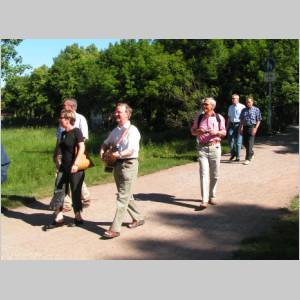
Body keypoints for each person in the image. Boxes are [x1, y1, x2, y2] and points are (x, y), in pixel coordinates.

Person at [100, 103, 144, 239]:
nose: (116, 114)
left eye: (119, 112)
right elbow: (106, 142)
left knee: (122, 197)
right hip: (117, 165)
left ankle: (115, 229)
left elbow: (131, 150)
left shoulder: (133, 130)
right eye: (116, 112)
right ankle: (138, 217)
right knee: (125, 194)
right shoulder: (116, 130)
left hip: (129, 165)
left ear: (127, 114)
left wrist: (115, 155)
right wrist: (102, 151)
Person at [46, 109, 85, 229]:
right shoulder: (63, 133)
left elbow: (82, 148)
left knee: (75, 192)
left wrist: (76, 164)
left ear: (68, 119)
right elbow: (60, 149)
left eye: (61, 117)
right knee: (59, 190)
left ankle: (78, 217)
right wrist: (57, 160)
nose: (59, 119)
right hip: (63, 167)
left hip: (75, 168)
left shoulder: (76, 131)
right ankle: (59, 217)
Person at [53, 98, 90, 211]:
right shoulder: (62, 120)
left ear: (72, 107)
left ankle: (83, 199)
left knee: (75, 180)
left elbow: (83, 139)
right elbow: (59, 138)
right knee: (60, 179)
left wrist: (75, 155)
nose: (63, 107)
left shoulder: (80, 119)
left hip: (74, 155)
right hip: (62, 155)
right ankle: (66, 204)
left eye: (65, 105)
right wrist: (56, 153)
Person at [191, 97, 226, 209]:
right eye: (203, 104)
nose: (204, 106)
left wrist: (217, 132)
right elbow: (192, 132)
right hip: (202, 149)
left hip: (215, 147)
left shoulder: (219, 117)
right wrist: (198, 131)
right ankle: (204, 200)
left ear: (212, 106)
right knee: (204, 174)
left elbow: (224, 132)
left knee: (215, 175)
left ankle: (212, 196)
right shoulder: (199, 116)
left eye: (206, 104)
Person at [239, 96, 262, 165]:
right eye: (247, 102)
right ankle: (251, 153)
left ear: (252, 102)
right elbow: (241, 120)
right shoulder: (243, 110)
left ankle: (247, 159)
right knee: (245, 143)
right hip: (245, 127)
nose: (248, 103)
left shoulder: (256, 109)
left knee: (250, 143)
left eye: (249, 102)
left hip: (252, 127)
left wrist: (256, 128)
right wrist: (240, 128)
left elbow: (259, 120)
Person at [227, 94, 245, 162]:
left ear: (238, 99)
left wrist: (242, 126)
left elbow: (244, 118)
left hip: (239, 124)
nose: (232, 99)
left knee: (238, 141)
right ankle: (233, 153)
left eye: (234, 98)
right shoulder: (230, 107)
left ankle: (238, 156)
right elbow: (229, 118)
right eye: (232, 98)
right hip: (231, 125)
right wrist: (226, 127)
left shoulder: (242, 107)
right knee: (229, 140)